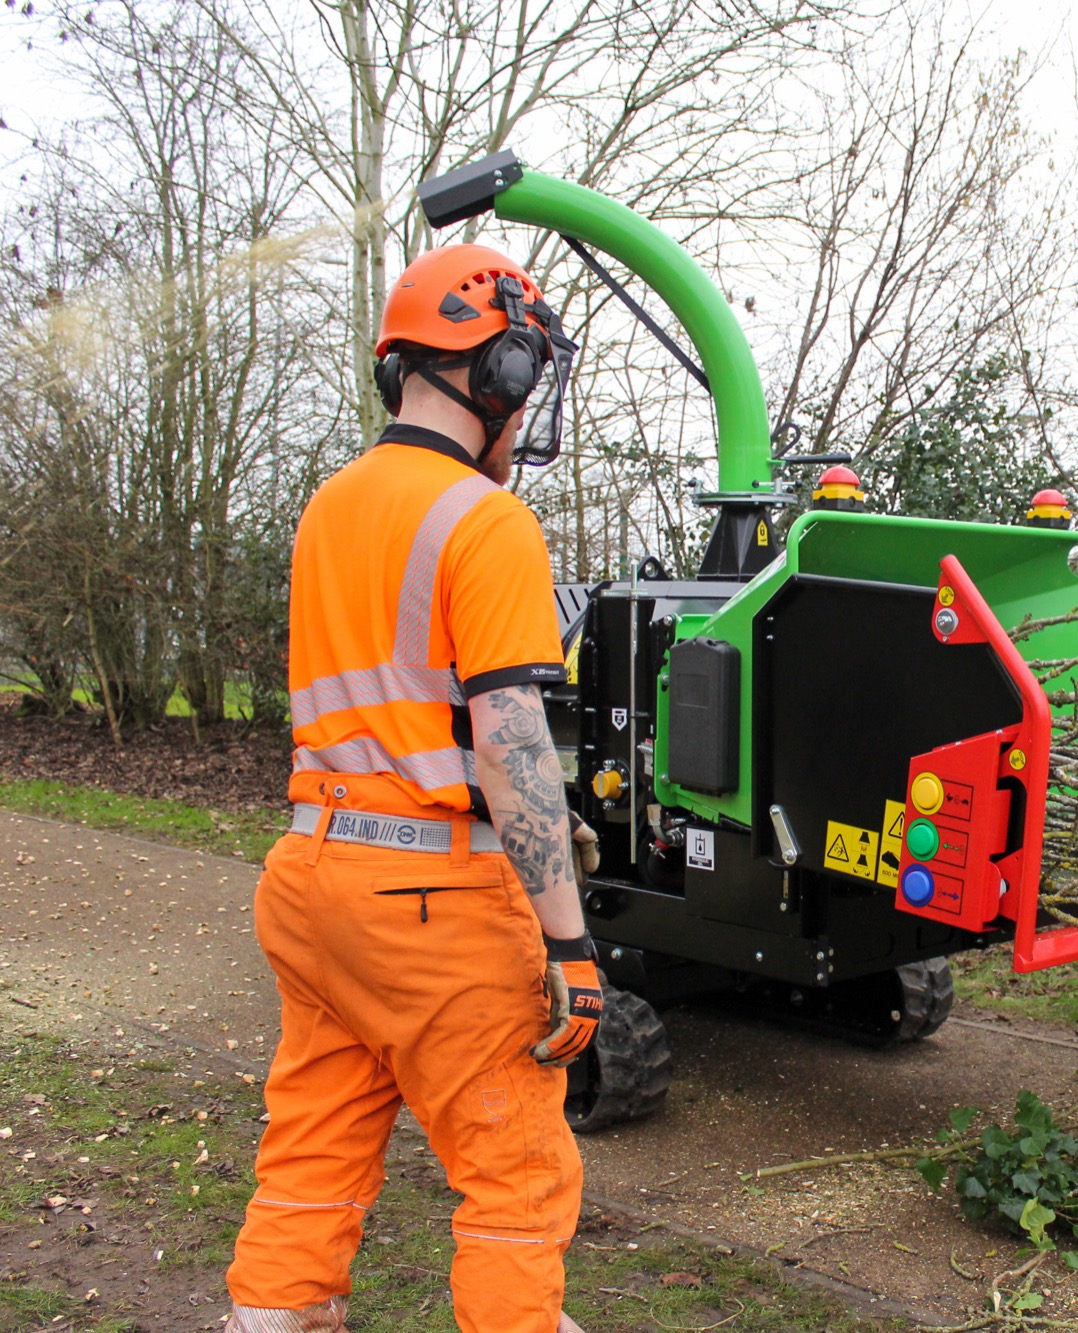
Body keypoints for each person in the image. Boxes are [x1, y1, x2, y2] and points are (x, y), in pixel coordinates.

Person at [226, 243, 600, 1333]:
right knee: (517, 1173)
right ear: (502, 370)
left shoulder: (330, 506)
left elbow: (392, 705)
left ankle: (272, 1317)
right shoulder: (485, 519)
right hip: (430, 899)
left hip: (313, 877)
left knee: (316, 1139)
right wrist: (570, 945)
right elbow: (509, 741)